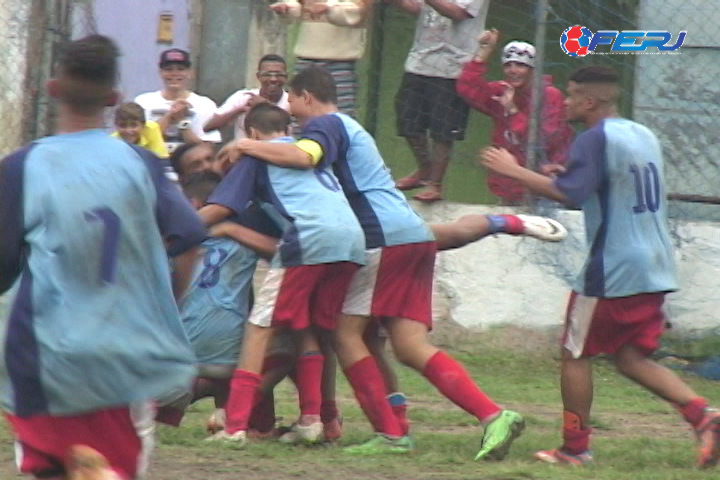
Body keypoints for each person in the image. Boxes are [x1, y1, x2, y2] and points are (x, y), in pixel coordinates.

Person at [217, 66, 569, 458]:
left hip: (383, 239)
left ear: (304, 96)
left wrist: (246, 146)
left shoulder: (327, 124)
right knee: (406, 345)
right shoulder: (349, 129)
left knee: (345, 334)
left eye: (293, 103)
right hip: (408, 235)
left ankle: (389, 434)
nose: (292, 114)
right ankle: (492, 415)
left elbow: (305, 156)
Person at [481, 65, 720, 468]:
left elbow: (569, 195)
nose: (567, 102)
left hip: (613, 266)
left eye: (572, 95)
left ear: (589, 101)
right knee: (630, 358)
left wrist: (513, 171)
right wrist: (570, 172)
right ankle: (705, 418)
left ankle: (575, 449)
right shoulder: (640, 133)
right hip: (655, 262)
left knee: (575, 353)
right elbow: (610, 183)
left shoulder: (594, 137)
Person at [0, 35, 206, 480]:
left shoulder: (22, 167)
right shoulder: (141, 165)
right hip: (121, 351)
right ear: (114, 100)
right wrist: (164, 299)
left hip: (44, 354)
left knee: (49, 465)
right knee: (112, 462)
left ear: (53, 88)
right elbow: (190, 236)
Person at [200, 103, 367, 447]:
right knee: (307, 326)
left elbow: (222, 207)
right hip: (351, 241)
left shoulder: (256, 155)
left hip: (310, 240)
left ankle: (235, 427)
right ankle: (314, 420)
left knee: (259, 328)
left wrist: (173, 231)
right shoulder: (302, 153)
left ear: (252, 133)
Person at [179, 171, 297, 439]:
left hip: (176, 354)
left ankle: (166, 400)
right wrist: (233, 230)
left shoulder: (175, 241)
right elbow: (286, 250)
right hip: (225, 356)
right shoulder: (242, 238)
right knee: (279, 351)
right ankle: (245, 419)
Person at [457, 29, 572, 205]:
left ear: (533, 69)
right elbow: (468, 89)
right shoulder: (502, 91)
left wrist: (512, 110)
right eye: (508, 65)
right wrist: (482, 54)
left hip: (542, 186)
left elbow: (544, 141)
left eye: (520, 65)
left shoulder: (549, 95)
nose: (513, 71)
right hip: (508, 185)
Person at [389, 0, 490, 202]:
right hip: (419, 61)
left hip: (452, 66)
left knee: (442, 131)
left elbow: (457, 12)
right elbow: (418, 8)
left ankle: (435, 184)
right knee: (408, 120)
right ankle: (424, 168)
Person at [270, 0, 370, 117]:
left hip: (339, 61)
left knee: (338, 114)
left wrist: (328, 7)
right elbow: (300, 5)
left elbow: (357, 11)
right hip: (305, 58)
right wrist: (287, 8)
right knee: (299, 109)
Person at [135, 48, 221, 153]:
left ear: (190, 73)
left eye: (180, 69)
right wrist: (169, 116)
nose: (174, 73)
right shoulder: (143, 102)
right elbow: (140, 142)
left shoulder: (206, 104)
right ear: (160, 72)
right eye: (169, 69)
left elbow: (207, 148)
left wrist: (182, 121)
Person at [204, 54, 290, 140]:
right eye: (267, 75)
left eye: (279, 75)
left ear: (286, 77)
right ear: (258, 76)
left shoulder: (290, 100)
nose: (273, 79)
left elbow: (290, 123)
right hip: (244, 151)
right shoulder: (243, 97)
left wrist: (265, 105)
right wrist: (240, 109)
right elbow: (208, 127)